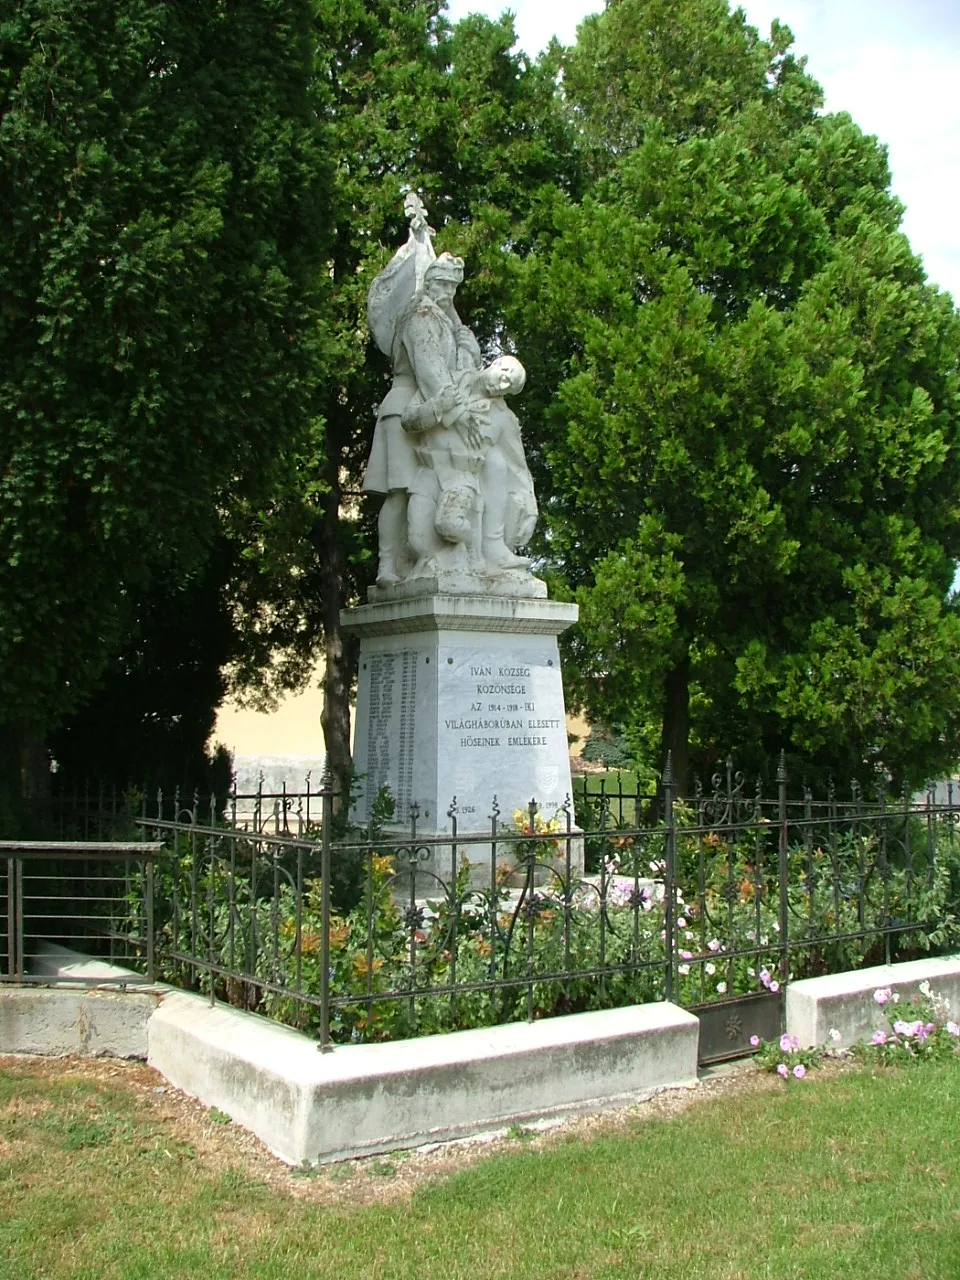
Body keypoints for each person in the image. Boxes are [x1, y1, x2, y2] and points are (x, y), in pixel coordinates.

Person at [362, 252, 482, 585]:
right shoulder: (422, 315)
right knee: (399, 491)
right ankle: (388, 565)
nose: (448, 292)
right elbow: (429, 370)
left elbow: (459, 372)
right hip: (405, 406)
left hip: (433, 413)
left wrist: (468, 348)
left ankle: (423, 559)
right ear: (428, 283)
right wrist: (458, 414)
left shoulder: (443, 318)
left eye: (453, 287)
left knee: (426, 488)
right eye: (442, 283)